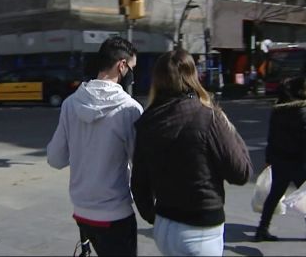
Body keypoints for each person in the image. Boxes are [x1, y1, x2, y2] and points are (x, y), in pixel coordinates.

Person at [131, 49, 253, 256]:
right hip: (201, 230)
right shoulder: (209, 117)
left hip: (164, 227)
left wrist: (155, 217)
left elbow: (139, 183)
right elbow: (241, 173)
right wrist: (229, 128)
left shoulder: (148, 121)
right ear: (192, 76)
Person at [47, 36, 143, 256]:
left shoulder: (71, 103)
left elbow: (55, 159)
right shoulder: (130, 109)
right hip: (115, 213)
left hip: (82, 213)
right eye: (132, 68)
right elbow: (140, 162)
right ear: (122, 65)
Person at [255, 77, 306, 242]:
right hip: (300, 162)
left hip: (280, 160)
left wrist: (269, 159)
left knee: (274, 195)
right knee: (304, 196)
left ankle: (262, 229)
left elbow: (271, 137)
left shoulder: (277, 111)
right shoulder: (302, 110)